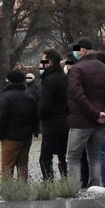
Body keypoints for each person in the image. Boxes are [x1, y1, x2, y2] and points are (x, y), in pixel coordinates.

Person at [66, 46, 105, 187]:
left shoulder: (77, 68)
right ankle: (95, 186)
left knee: (72, 157)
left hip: (80, 121)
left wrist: (94, 113)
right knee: (95, 156)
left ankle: (73, 188)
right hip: (99, 122)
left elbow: (77, 94)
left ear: (83, 51)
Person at [0, 70, 38, 181]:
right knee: (23, 167)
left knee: (7, 167)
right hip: (26, 137)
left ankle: (8, 192)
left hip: (10, 137)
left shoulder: (6, 97)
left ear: (9, 81)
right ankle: (22, 191)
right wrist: (35, 131)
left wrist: (0, 134)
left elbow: (1, 117)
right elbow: (35, 116)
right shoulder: (29, 97)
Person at [37, 49, 70, 180]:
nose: (42, 63)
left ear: (49, 62)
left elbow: (45, 103)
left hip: (51, 123)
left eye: (44, 60)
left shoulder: (48, 80)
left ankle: (49, 182)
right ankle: (66, 180)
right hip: (66, 120)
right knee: (63, 155)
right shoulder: (65, 77)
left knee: (45, 157)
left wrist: (40, 114)